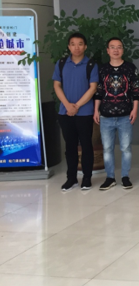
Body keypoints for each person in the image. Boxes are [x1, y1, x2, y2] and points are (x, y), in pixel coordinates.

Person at [53, 32, 99, 191]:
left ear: (85, 46)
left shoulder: (91, 64)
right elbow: (57, 85)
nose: (76, 47)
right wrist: (68, 106)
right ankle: (71, 178)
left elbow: (93, 88)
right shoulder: (61, 63)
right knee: (70, 147)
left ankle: (87, 178)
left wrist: (76, 106)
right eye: (73, 44)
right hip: (65, 113)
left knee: (86, 145)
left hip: (84, 113)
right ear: (69, 46)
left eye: (80, 44)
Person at [93, 37, 139, 190]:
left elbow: (135, 91)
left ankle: (125, 176)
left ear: (123, 50)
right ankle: (110, 177)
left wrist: (135, 109)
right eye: (112, 47)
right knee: (107, 148)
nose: (116, 50)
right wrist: (96, 110)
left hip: (125, 115)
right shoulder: (102, 69)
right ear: (108, 50)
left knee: (126, 148)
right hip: (105, 115)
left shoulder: (130, 68)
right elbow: (99, 91)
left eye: (119, 47)